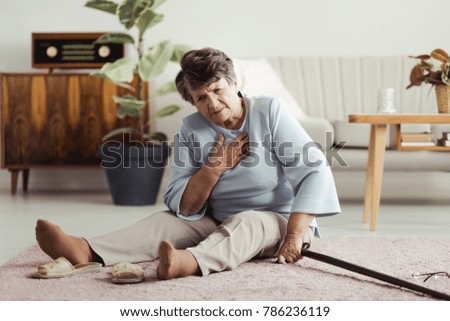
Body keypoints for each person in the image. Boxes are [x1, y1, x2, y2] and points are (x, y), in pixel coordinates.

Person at [35, 47, 341, 280]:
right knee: (164, 222)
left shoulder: (270, 111)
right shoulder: (191, 128)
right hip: (215, 218)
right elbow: (184, 203)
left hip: (278, 221)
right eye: (201, 98)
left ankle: (190, 262)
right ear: (193, 102)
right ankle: (85, 250)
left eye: (217, 90)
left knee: (248, 221)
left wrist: (293, 237)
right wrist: (212, 170)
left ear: (234, 82)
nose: (213, 104)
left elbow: (314, 171)